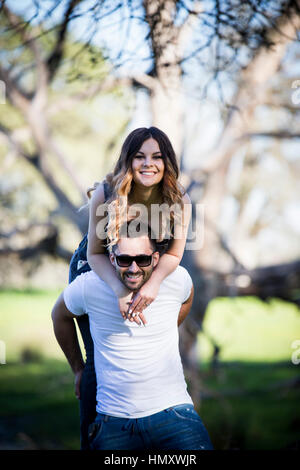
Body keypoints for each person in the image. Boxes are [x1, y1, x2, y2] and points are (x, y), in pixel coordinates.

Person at [69, 127, 192, 449]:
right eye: (139, 156)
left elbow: (175, 254)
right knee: (99, 355)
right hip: (98, 262)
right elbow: (96, 253)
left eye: (156, 157)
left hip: (151, 262)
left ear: (167, 162)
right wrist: (120, 292)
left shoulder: (179, 198)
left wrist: (152, 285)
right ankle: (94, 435)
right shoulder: (107, 192)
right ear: (128, 160)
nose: (147, 163)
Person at [52, 223, 213, 451]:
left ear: (156, 258)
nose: (134, 268)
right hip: (114, 422)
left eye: (143, 260)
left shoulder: (176, 279)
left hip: (174, 413)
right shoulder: (89, 286)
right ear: (111, 259)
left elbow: (188, 295)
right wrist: (79, 369)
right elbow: (59, 316)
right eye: (125, 260)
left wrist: (170, 325)